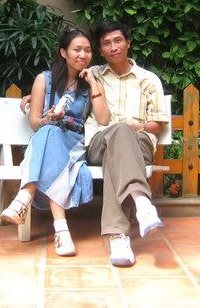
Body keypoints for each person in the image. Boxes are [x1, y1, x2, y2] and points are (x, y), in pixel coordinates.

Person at [21, 21, 169, 267]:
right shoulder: (93, 73)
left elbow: (159, 125)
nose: (113, 47)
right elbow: (63, 82)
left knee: (121, 137)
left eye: (118, 41)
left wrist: (137, 126)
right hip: (99, 143)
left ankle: (118, 237)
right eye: (106, 43)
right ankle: (142, 205)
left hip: (138, 143)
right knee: (117, 134)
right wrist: (30, 96)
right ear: (100, 50)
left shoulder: (148, 79)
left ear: (128, 43)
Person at [0, 27, 110, 257]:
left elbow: (103, 119)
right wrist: (50, 118)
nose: (83, 55)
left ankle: (25, 196)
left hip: (74, 142)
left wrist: (92, 82)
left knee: (49, 136)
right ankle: (61, 230)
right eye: (77, 49)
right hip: (47, 136)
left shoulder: (91, 82)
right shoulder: (44, 80)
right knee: (49, 130)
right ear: (63, 52)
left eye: (87, 50)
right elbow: (35, 123)